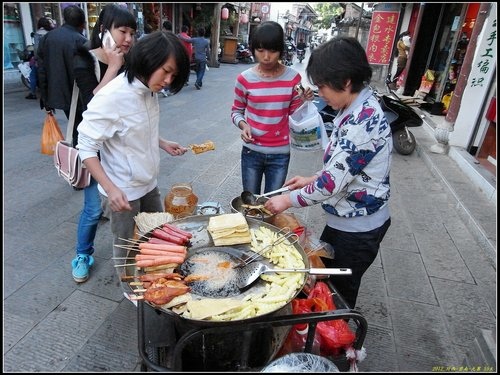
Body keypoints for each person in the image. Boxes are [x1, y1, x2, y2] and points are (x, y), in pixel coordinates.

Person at [264, 36, 393, 310]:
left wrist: (287, 200)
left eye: (322, 86)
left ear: (345, 81)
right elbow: (347, 168)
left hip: (358, 227)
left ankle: (342, 347)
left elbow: (332, 183)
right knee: (329, 282)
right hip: (348, 219)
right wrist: (312, 179)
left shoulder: (362, 121)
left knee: (339, 293)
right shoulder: (352, 108)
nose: (320, 93)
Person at [76, 31, 190, 290]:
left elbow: (137, 126)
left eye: (174, 76)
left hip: (148, 181)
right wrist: (111, 188)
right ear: (149, 61)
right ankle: (131, 290)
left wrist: (162, 142)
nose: (168, 81)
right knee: (127, 243)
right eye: (166, 71)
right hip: (123, 189)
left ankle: (153, 280)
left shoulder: (149, 90)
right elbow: (86, 147)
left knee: (155, 235)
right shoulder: (112, 97)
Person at [69, 4, 137, 283]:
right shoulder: (84, 57)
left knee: (122, 202)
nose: (128, 38)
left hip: (119, 145)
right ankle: (82, 255)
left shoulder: (128, 59)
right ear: (104, 30)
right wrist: (115, 67)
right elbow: (91, 103)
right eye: (122, 31)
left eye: (132, 32)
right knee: (93, 208)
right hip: (93, 147)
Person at [230, 21, 313, 195]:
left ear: (281, 50)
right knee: (250, 202)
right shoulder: (244, 79)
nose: (266, 57)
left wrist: (303, 100)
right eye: (260, 51)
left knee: (272, 204)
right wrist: (244, 125)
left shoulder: (293, 78)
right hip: (252, 151)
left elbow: (294, 114)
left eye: (272, 51)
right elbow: (236, 112)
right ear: (253, 50)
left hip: (280, 154)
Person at [37, 5, 87, 117]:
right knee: (81, 129)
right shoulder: (81, 41)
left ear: (64, 19)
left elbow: (42, 70)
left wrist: (45, 98)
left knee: (74, 126)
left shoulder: (47, 38)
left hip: (59, 93)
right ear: (82, 23)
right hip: (80, 97)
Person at [26, 17, 55, 100]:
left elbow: (37, 48)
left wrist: (35, 58)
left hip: (42, 58)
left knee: (33, 75)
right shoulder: (51, 33)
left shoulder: (38, 34)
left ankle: (33, 93)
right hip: (51, 58)